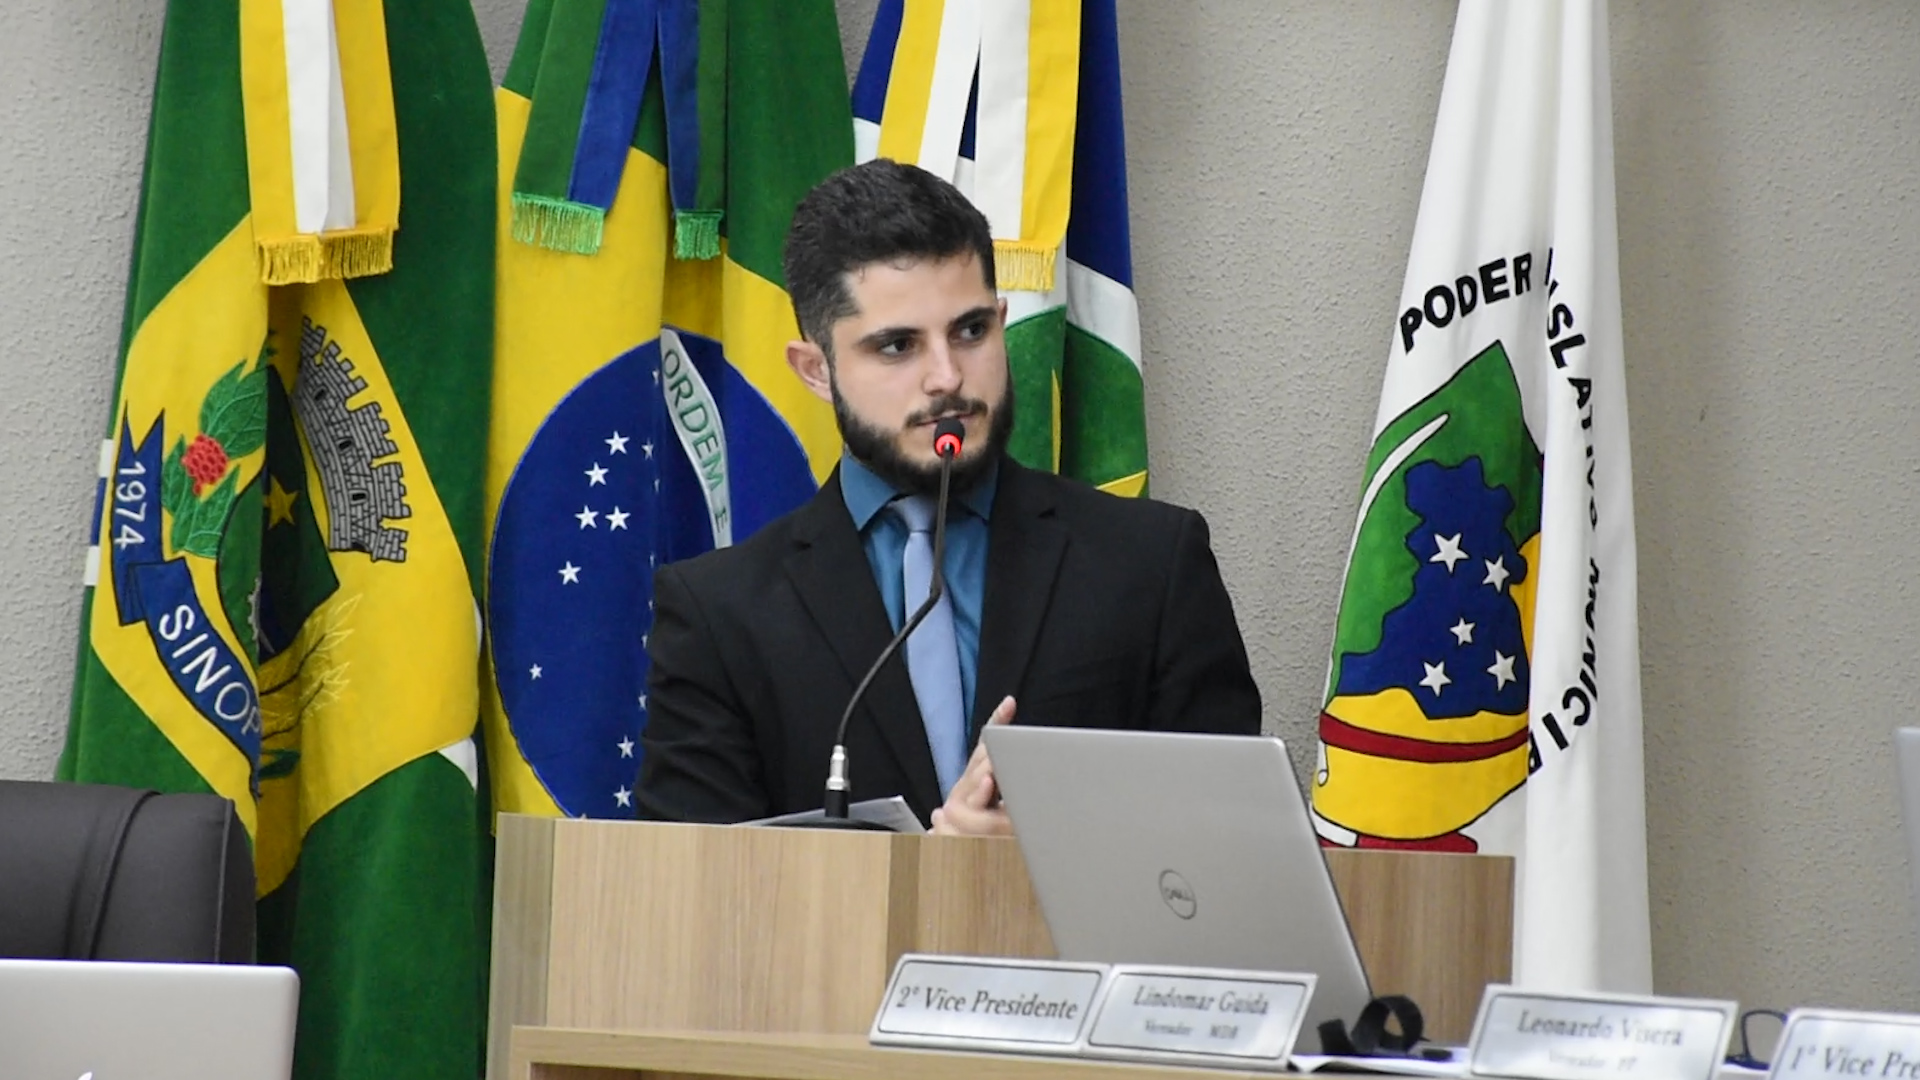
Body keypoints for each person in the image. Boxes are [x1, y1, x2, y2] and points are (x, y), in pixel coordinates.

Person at [635, 159, 1260, 834]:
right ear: (817, 370)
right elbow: (694, 898)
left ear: (1000, 320)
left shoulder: (1150, 564)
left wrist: (1038, 859)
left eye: (970, 332)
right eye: (898, 346)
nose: (947, 378)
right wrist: (931, 873)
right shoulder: (720, 613)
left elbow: (1231, 846)